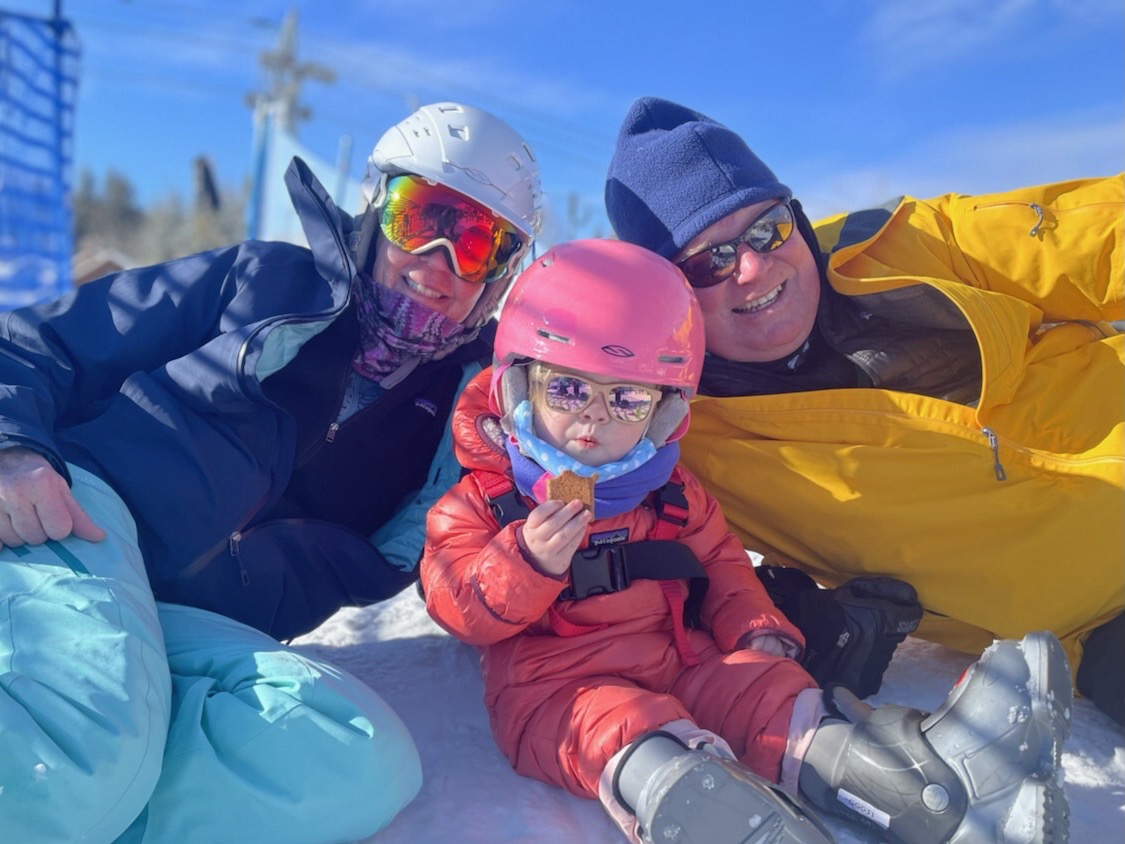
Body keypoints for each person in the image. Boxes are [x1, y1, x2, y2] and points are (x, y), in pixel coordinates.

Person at [0, 101, 541, 842]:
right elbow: (35, 341)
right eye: (420, 219)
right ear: (375, 211)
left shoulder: (465, 416)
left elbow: (481, 556)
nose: (439, 260)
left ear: (499, 275)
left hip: (191, 625)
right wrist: (15, 449)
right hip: (82, 524)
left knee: (353, 761)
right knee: (90, 745)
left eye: (476, 243)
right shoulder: (262, 282)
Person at [419, 238, 1073, 844]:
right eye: (567, 389)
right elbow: (456, 603)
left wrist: (755, 626)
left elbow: (724, 564)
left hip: (682, 660)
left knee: (765, 691)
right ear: (519, 386)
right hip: (556, 688)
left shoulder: (671, 492)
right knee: (617, 727)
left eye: (627, 400)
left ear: (663, 411)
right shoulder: (482, 503)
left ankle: (918, 789)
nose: (593, 415)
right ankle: (703, 806)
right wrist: (524, 561)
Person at [604, 95, 1124, 726]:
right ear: (671, 296)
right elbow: (552, 483)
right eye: (708, 261)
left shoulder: (898, 246)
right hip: (1094, 630)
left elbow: (1090, 238)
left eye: (767, 229)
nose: (754, 266)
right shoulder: (685, 434)